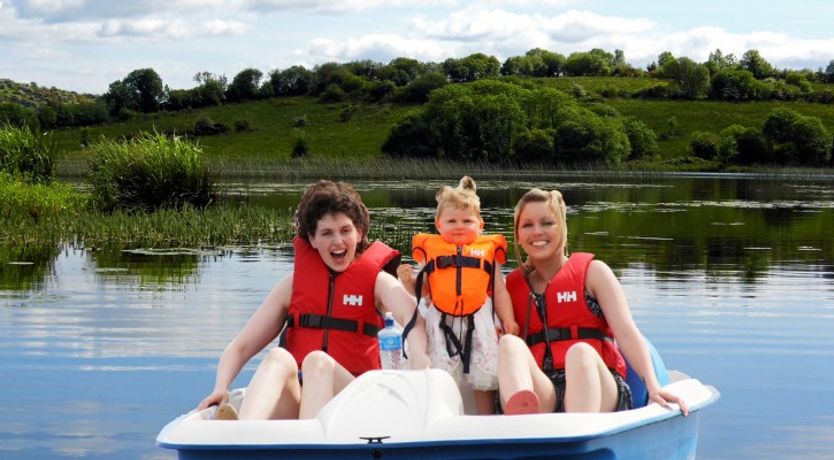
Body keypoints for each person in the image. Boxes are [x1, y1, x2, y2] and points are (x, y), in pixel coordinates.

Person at [197, 180, 429, 420]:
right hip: (303, 399)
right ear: (313, 239)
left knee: (317, 363)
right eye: (327, 233)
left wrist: (420, 365)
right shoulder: (293, 286)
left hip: (357, 403)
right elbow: (240, 347)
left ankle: (306, 447)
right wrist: (221, 387)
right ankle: (241, 437)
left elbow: (411, 317)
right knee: (278, 358)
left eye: (345, 230)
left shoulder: (378, 282)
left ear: (360, 233)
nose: (338, 242)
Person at [497, 188, 688, 416]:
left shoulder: (593, 274)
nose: (537, 232)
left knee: (581, 352)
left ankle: (577, 440)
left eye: (547, 223)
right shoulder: (510, 287)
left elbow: (626, 333)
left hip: (600, 388)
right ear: (517, 235)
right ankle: (522, 429)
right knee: (509, 344)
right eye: (527, 225)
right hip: (545, 390)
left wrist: (653, 385)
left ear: (562, 227)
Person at [398, 176, 517, 415]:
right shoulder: (432, 253)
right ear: (439, 224)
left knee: (483, 376)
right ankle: (445, 418)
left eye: (467, 220)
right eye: (451, 220)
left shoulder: (487, 254)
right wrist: (407, 281)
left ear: (480, 225)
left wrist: (508, 319)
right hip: (442, 324)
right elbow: (424, 292)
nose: (459, 226)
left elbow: (500, 290)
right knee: (442, 375)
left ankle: (485, 419)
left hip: (479, 322)